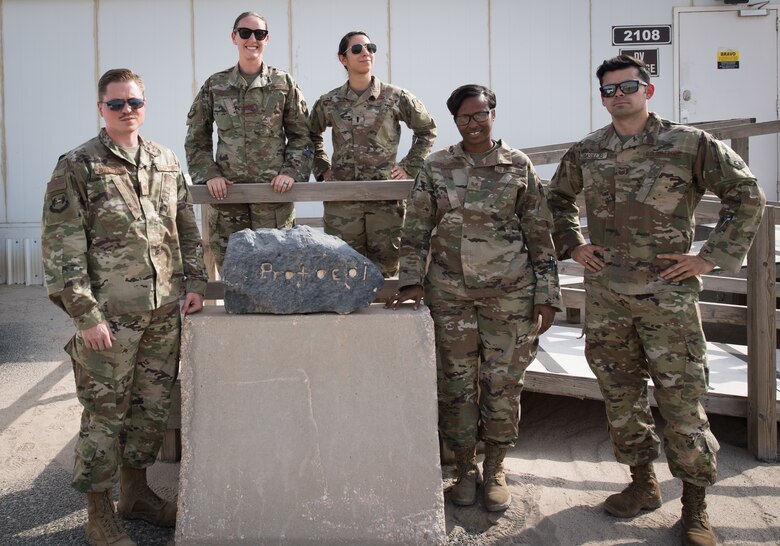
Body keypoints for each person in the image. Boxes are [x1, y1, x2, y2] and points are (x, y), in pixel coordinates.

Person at [546, 55, 765, 546]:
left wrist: (711, 257)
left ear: (649, 89)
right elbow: (554, 201)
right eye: (608, 89)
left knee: (682, 402)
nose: (617, 95)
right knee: (621, 398)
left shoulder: (688, 143)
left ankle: (694, 507)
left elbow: (746, 194)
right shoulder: (588, 150)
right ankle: (642, 485)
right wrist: (573, 243)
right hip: (607, 298)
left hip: (667, 298)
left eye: (627, 86)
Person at [41, 69, 208, 546]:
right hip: (108, 320)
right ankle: (99, 514)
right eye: (116, 104)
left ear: (144, 104)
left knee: (149, 410)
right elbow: (61, 247)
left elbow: (185, 227)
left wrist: (194, 281)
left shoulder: (164, 159)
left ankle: (135, 496)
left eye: (134, 102)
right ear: (101, 109)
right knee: (103, 415)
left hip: (162, 313)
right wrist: (85, 315)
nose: (126, 110)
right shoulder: (78, 165)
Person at [387, 84, 561, 511]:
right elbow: (416, 228)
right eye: (465, 118)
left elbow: (539, 233)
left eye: (481, 114)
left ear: (494, 114)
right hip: (451, 295)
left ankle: (497, 466)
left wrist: (548, 294)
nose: (474, 124)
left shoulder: (517, 166)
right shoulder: (437, 166)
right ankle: (464, 469)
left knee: (502, 385)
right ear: (455, 121)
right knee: (456, 387)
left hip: (511, 295)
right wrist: (410, 280)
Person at [185, 11, 313, 271]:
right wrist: (209, 174)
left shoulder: (283, 84)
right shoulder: (216, 85)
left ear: (267, 39)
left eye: (259, 34)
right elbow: (196, 138)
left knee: (278, 268)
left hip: (273, 197)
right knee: (233, 270)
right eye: (245, 33)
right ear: (234, 37)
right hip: (227, 198)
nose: (252, 39)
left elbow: (302, 137)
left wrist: (291, 172)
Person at [309, 31, 436, 278]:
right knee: (342, 269)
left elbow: (427, 130)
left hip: (385, 200)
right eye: (356, 49)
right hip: (343, 200)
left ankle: (385, 317)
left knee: (386, 270)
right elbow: (309, 136)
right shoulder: (329, 102)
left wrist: (409, 166)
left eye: (370, 47)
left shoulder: (395, 97)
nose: (365, 52)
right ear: (342, 59)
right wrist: (322, 169)